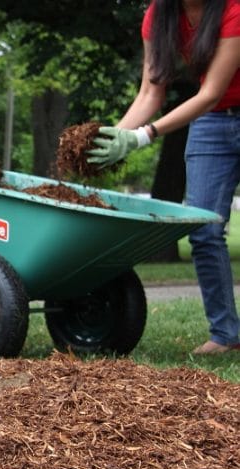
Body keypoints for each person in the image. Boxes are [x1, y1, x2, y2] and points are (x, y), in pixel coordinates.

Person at [87, 0, 240, 355]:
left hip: (211, 105)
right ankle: (226, 335)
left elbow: (210, 92)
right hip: (213, 123)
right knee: (203, 229)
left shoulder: (232, 9)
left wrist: (144, 135)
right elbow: (150, 92)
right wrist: (115, 137)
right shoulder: (159, 15)